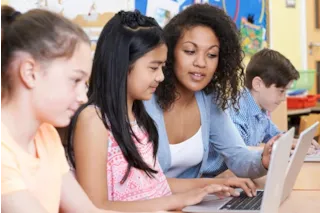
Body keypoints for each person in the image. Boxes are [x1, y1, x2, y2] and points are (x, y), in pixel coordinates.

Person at [65, 10, 242, 212]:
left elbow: (155, 184)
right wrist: (179, 200)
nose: (161, 77)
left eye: (162, 67)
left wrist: (206, 187)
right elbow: (96, 206)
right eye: (153, 68)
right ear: (124, 65)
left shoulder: (138, 116)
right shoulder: (93, 121)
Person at [0, 7, 162, 213]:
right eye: (75, 80)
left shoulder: (46, 135)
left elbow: (87, 210)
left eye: (84, 83)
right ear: (30, 72)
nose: (83, 97)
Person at [144, 4, 278, 180]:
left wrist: (263, 159)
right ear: (169, 52)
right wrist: (204, 186)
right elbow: (140, 183)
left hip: (189, 204)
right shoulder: (145, 98)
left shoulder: (208, 100)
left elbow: (238, 157)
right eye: (190, 51)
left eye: (212, 55)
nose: (201, 62)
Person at [228, 48, 320, 152]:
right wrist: (280, 149)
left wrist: (296, 142)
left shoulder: (260, 110)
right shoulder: (237, 110)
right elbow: (237, 152)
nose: (284, 98)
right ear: (258, 84)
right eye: (281, 91)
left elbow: (276, 136)